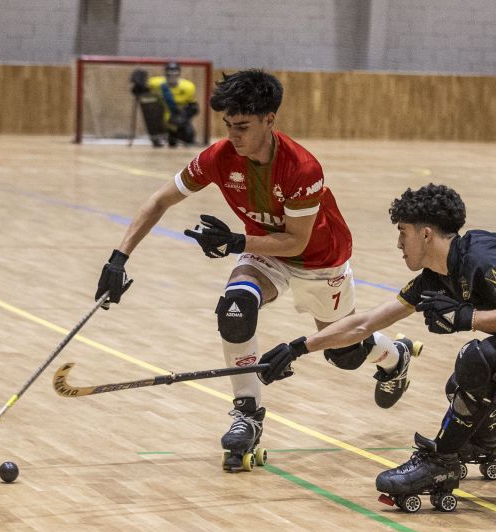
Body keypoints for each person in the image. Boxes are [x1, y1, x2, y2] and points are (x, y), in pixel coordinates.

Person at [96, 69, 419, 472]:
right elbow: (160, 199)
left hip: (320, 260)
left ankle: (395, 355)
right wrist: (119, 258)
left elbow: (296, 242)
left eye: (244, 127)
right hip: (264, 253)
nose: (234, 136)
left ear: (270, 120)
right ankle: (247, 412)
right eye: (229, 126)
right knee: (235, 308)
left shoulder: (303, 168)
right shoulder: (219, 157)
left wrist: (234, 242)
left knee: (344, 354)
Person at [257, 183, 496, 507]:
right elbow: (366, 322)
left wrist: (466, 318)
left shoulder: (481, 254)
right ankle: (485, 441)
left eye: (403, 233)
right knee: (463, 384)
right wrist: (299, 347)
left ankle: (441, 462)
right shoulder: (434, 278)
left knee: (477, 358)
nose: (399, 243)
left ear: (426, 234)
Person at [130, 62, 199, 147]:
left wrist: (183, 117)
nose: (172, 76)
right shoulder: (157, 83)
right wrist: (138, 86)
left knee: (188, 137)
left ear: (179, 74)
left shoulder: (188, 87)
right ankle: (159, 135)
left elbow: (193, 107)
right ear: (165, 74)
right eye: (169, 73)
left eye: (174, 73)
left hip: (179, 119)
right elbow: (139, 90)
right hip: (161, 121)